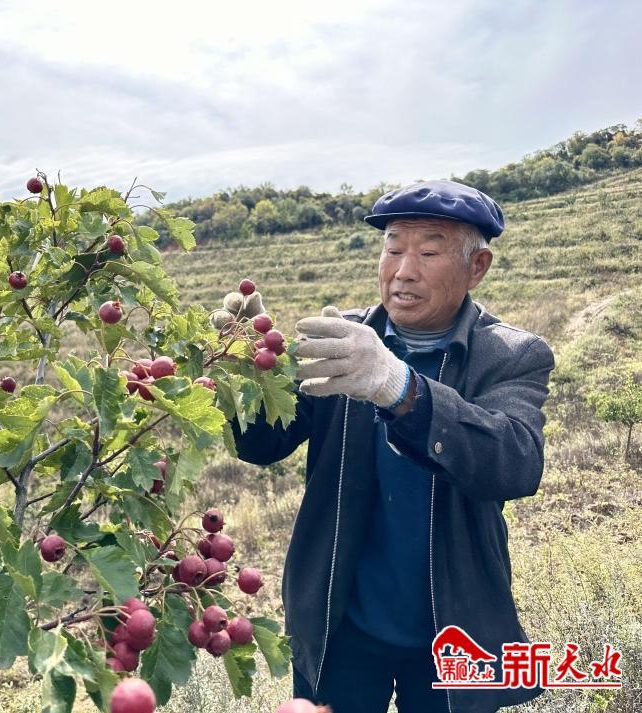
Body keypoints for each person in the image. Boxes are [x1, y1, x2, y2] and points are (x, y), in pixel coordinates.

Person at [213, 181, 555, 713]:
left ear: (477, 265)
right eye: (394, 247)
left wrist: (400, 389)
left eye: (430, 251)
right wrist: (244, 370)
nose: (404, 269)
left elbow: (514, 462)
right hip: (340, 619)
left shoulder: (511, 355)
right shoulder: (342, 340)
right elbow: (263, 444)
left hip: (453, 630)